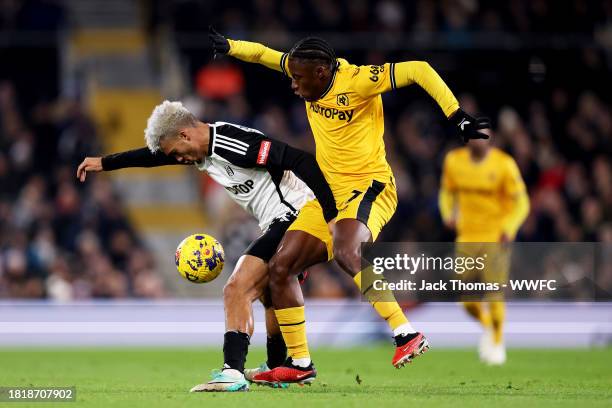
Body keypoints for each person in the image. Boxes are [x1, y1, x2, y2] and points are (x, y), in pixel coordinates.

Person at [209, 27, 491, 385]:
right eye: (292, 76)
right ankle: (300, 363)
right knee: (281, 266)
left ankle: (405, 334)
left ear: (321, 73)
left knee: (346, 249)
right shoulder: (306, 69)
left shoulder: (358, 80)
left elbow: (419, 68)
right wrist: (231, 46)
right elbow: (264, 55)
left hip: (369, 186)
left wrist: (457, 116)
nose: (293, 85)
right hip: (327, 194)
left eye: (298, 78)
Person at [76, 100, 337, 391]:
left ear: (185, 135)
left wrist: (330, 214)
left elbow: (299, 159)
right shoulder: (202, 151)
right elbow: (155, 157)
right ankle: (277, 367)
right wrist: (105, 163)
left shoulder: (232, 143)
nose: (178, 160)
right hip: (278, 219)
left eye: (177, 153)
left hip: (294, 215)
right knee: (266, 291)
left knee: (236, 287)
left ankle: (233, 371)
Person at [439, 129, 529, 365]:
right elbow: (446, 193)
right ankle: (489, 327)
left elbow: (522, 202)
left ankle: (498, 344)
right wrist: (448, 213)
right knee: (466, 298)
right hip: (467, 238)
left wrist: (509, 228)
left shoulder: (504, 165)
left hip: (495, 237)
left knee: (494, 293)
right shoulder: (454, 161)